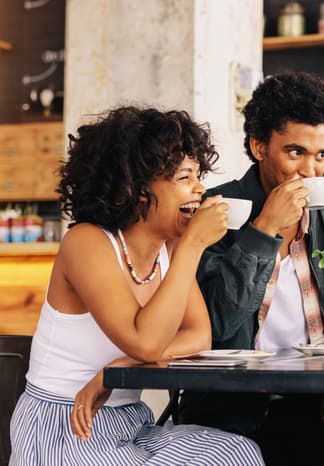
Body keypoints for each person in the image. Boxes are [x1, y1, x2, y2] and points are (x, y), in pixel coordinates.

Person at [9, 106, 264, 465]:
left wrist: (118, 369)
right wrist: (194, 244)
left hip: (128, 421)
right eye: (185, 177)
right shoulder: (87, 243)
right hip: (64, 423)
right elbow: (146, 340)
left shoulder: (169, 248)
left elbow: (198, 337)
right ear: (138, 188)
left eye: (198, 175)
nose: (200, 188)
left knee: (236, 452)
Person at [178, 71, 324, 466]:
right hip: (234, 408)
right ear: (259, 146)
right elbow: (216, 325)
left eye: (321, 155)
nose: (311, 171)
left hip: (319, 406)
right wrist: (265, 229)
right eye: (295, 152)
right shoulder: (217, 211)